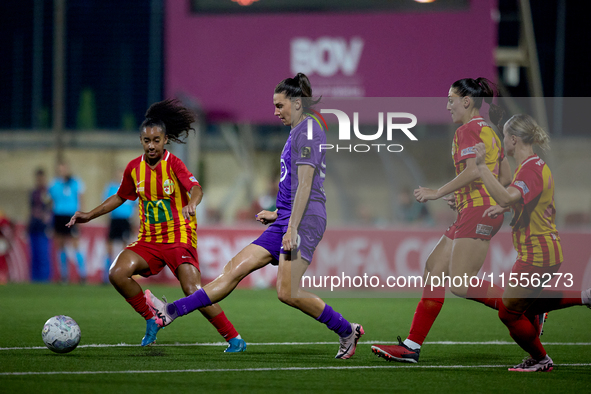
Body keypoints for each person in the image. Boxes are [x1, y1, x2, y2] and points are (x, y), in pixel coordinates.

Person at [146, 73, 364, 359]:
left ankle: (347, 330)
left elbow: (308, 183)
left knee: (287, 292)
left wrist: (292, 227)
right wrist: (277, 214)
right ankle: (170, 312)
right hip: (288, 218)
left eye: (279, 105)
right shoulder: (297, 132)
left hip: (305, 221)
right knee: (234, 267)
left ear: (297, 103)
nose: (274, 112)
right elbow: (295, 184)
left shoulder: (310, 130)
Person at [66, 98, 246, 351]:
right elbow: (120, 196)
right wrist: (89, 215)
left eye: (156, 140)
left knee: (192, 290)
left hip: (178, 236)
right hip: (148, 240)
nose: (151, 145)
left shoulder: (174, 164)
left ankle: (234, 338)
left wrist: (192, 203)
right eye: (147, 140)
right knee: (117, 273)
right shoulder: (133, 168)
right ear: (141, 140)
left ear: (165, 140)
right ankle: (153, 318)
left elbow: (195, 187)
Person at [372, 77, 511, 363]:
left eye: (451, 99)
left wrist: (438, 192)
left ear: (466, 101)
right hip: (476, 209)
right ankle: (411, 346)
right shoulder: (491, 132)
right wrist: (463, 196)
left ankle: (524, 306)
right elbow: (505, 178)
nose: (447, 105)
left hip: (478, 212)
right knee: (434, 268)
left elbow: (473, 171)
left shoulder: (467, 131)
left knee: (460, 283)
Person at [472, 114, 590, 372]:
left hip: (538, 254)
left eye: (504, 136)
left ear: (514, 139)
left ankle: (540, 359)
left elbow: (506, 196)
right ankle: (585, 297)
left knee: (508, 312)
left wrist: (482, 168)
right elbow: (520, 200)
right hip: (542, 250)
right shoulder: (532, 166)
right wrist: (504, 208)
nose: (503, 141)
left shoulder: (531, 170)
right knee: (528, 304)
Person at [48, 162, 86, 283]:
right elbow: (49, 200)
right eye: (60, 169)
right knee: (60, 244)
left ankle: (82, 274)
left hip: (71, 215)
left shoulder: (75, 182)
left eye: (63, 169)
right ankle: (64, 275)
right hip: (59, 215)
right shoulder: (54, 184)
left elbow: (81, 199)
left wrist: (81, 217)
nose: (62, 171)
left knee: (75, 244)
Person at [102, 169, 136, 284]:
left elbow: (135, 206)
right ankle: (106, 276)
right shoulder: (110, 188)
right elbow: (105, 206)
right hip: (114, 220)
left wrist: (134, 222)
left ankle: (124, 274)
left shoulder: (131, 188)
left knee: (125, 248)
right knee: (109, 247)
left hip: (125, 220)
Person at [28, 168, 52, 282]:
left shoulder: (47, 193)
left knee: (43, 257)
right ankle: (34, 279)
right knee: (34, 256)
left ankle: (44, 280)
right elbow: (31, 210)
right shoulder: (33, 193)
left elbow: (49, 210)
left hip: (43, 228)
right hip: (33, 227)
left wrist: (49, 225)